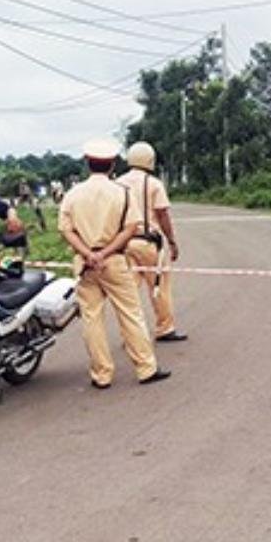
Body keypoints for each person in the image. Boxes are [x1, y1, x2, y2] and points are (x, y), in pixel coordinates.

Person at [59, 138, 171, 389]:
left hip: (85, 265)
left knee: (92, 318)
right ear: (111, 165)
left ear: (88, 163)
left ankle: (102, 374)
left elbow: (66, 230)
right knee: (131, 314)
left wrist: (88, 254)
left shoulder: (73, 194)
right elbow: (131, 227)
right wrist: (105, 252)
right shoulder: (121, 193)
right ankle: (145, 368)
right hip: (114, 261)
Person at [118, 141, 187, 343]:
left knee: (128, 293)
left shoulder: (118, 184)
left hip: (123, 244)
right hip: (149, 244)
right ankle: (164, 328)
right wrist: (172, 241)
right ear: (150, 160)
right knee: (159, 287)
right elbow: (162, 214)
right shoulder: (154, 184)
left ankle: (130, 334)